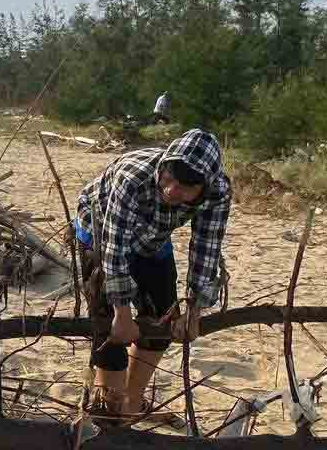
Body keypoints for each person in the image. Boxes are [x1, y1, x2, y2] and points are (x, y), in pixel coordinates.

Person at [75, 128, 231, 417]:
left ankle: (130, 404)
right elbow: (113, 247)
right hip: (100, 230)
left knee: (163, 320)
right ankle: (108, 409)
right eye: (169, 179)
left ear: (204, 188)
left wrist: (194, 310)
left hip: (153, 237)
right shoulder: (132, 178)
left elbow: (206, 248)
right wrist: (122, 313)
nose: (172, 191)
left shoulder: (217, 193)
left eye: (186, 188)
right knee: (110, 329)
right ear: (164, 167)